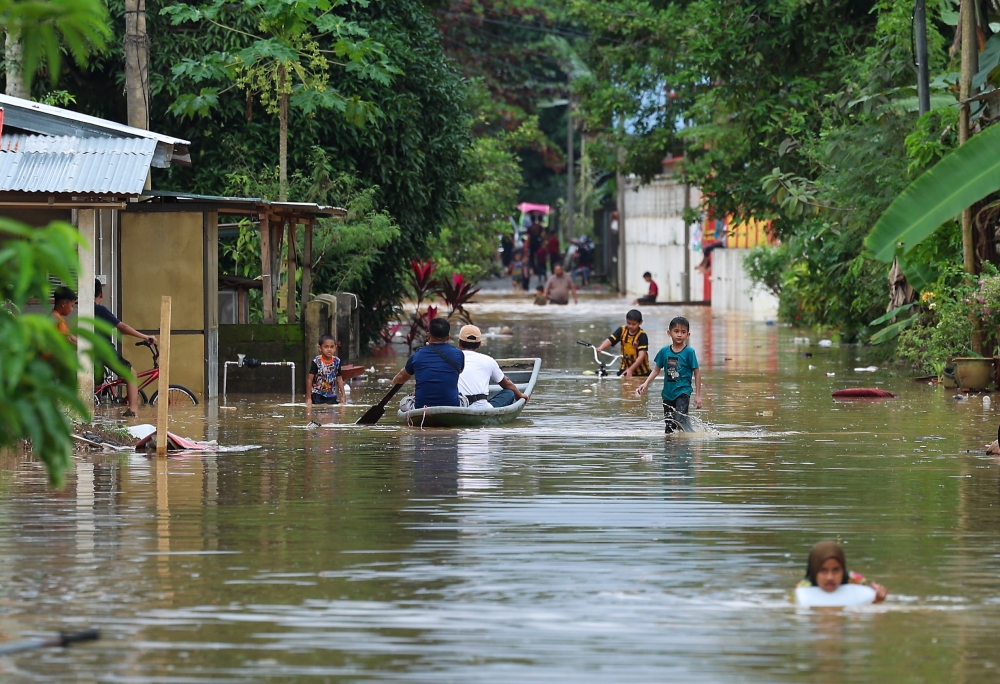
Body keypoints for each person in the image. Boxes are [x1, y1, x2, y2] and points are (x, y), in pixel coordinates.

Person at [95, 279, 157, 416]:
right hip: (105, 351)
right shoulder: (100, 310)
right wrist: (145, 337)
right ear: (101, 294)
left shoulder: (83, 310)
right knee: (131, 374)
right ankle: (133, 411)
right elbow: (123, 327)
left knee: (96, 385)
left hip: (91, 352)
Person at [636, 316, 702, 433]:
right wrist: (645, 383)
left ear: (688, 334)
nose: (679, 335)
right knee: (669, 426)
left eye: (683, 332)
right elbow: (656, 370)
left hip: (683, 392)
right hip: (667, 394)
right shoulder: (664, 351)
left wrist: (698, 395)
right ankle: (671, 448)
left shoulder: (689, 352)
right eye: (676, 331)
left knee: (679, 420)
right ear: (669, 333)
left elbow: (697, 373)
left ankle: (686, 445)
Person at [392, 317, 466, 409]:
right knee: (464, 399)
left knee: (404, 402)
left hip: (421, 407)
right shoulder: (458, 354)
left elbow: (400, 378)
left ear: (428, 336)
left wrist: (394, 382)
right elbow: (459, 371)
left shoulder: (417, 355)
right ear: (448, 337)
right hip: (452, 406)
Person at [456, 325, 529, 408]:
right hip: (481, 408)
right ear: (479, 344)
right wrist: (520, 395)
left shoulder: (450, 359)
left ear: (459, 342)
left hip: (457, 406)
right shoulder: (488, 360)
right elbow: (506, 383)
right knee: (509, 392)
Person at [797, 541, 887, 604]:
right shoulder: (803, 588)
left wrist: (877, 599)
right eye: (823, 570)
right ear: (814, 571)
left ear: (843, 569)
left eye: (836, 570)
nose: (830, 577)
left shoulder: (856, 582)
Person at [596, 309, 650, 377]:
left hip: (641, 371)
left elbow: (641, 356)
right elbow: (611, 339)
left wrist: (630, 370)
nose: (630, 326)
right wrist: (601, 347)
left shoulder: (642, 336)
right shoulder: (622, 330)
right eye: (628, 323)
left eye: (633, 324)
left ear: (640, 323)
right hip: (625, 367)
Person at [306, 334, 346, 409]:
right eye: (326, 347)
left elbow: (339, 378)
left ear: (335, 348)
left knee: (332, 414)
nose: (329, 349)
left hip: (331, 395)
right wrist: (308, 398)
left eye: (332, 347)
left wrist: (343, 395)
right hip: (317, 395)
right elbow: (309, 380)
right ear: (320, 348)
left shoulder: (337, 362)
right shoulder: (316, 362)